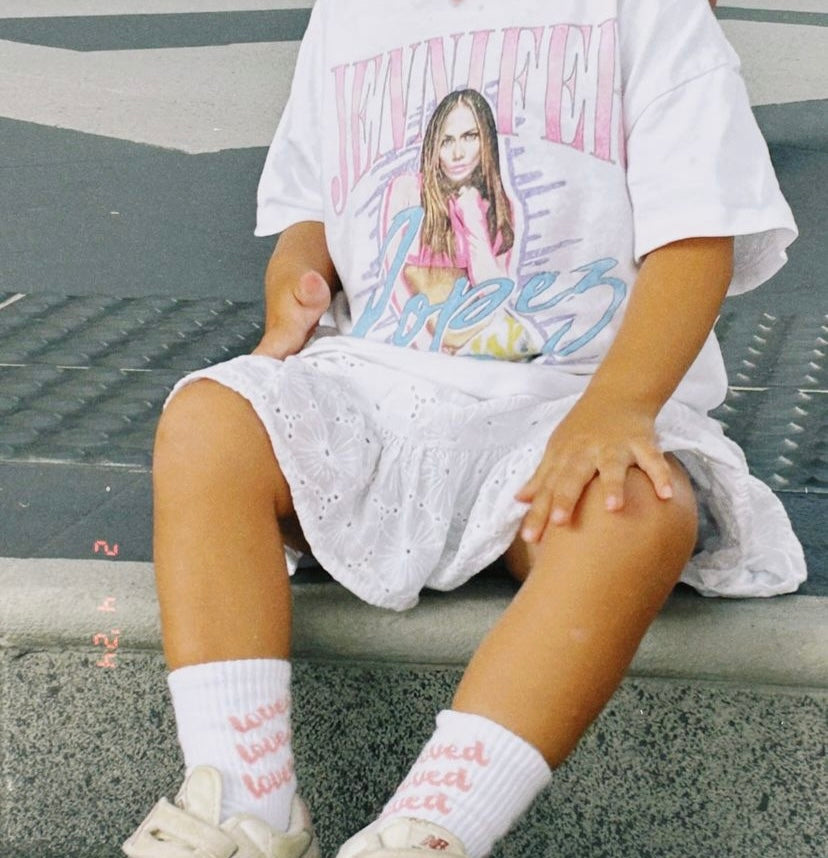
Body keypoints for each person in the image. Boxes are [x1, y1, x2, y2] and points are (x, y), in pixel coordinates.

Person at [123, 1, 805, 857]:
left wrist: (618, 407)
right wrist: (300, 271)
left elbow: (696, 233)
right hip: (386, 394)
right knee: (205, 421)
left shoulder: (646, 12)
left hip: (570, 406)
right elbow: (313, 204)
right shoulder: (351, 17)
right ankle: (239, 802)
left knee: (635, 511)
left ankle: (433, 824)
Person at [381, 88, 516, 352]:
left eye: (470, 137)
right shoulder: (408, 190)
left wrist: (473, 219)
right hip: (419, 344)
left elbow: (494, 296)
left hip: (474, 343)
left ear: (486, 140)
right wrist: (426, 348)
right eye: (446, 141)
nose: (457, 153)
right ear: (434, 147)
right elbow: (393, 281)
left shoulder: (496, 207)